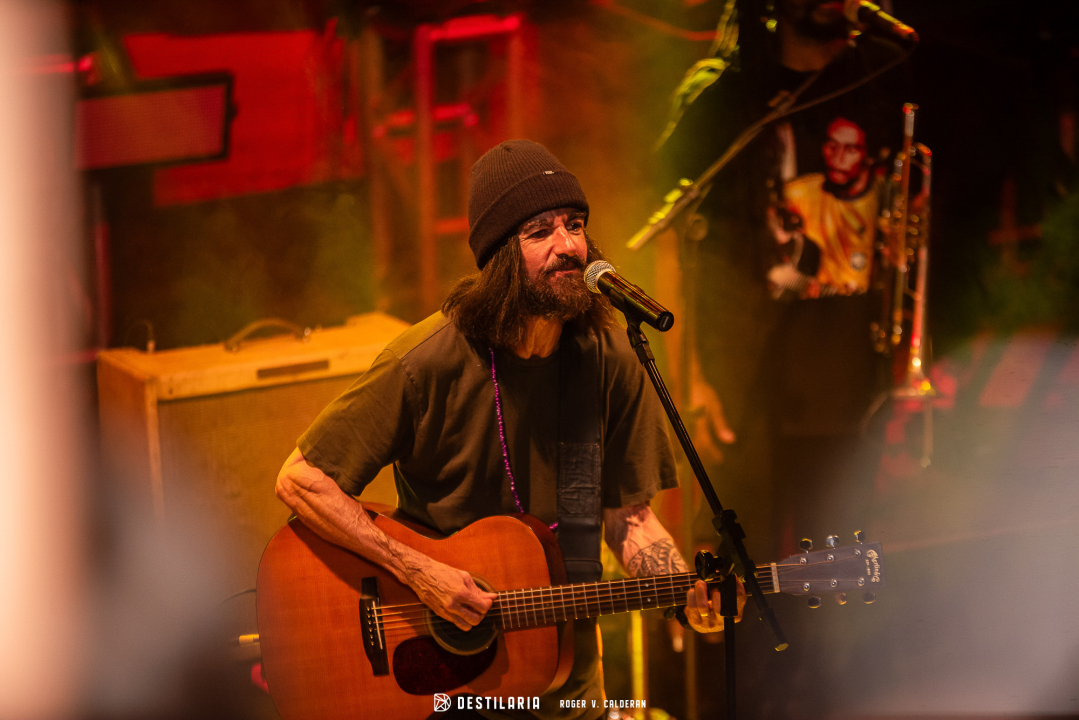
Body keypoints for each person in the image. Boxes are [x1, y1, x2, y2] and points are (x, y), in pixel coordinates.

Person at [275, 139, 745, 720]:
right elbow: (301, 480)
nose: (568, 245)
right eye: (539, 231)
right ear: (499, 258)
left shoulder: (610, 358)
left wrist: (685, 594)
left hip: (569, 680)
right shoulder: (426, 362)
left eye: (575, 225)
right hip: (446, 681)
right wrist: (418, 572)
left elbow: (630, 517)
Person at [660, 0, 912, 557]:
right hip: (743, 388)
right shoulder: (726, 96)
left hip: (852, 384)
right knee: (738, 578)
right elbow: (669, 236)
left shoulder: (882, 76)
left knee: (835, 581)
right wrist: (689, 378)